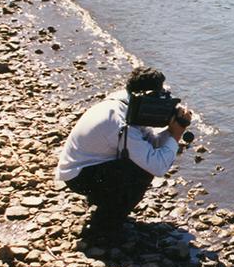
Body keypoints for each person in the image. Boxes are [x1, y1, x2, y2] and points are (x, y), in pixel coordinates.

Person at [55, 67, 192, 232]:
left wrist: (171, 130)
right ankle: (103, 227)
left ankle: (101, 201)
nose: (163, 98)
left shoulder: (124, 103)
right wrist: (177, 134)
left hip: (86, 166)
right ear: (148, 95)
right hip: (78, 177)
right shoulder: (121, 122)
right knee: (140, 172)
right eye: (160, 94)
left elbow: (150, 142)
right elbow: (157, 166)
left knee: (137, 161)